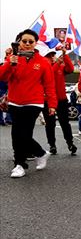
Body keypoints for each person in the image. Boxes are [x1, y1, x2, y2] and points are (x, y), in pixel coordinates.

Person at [0, 29, 57, 178]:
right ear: (19, 42)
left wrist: (52, 105)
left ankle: (30, 158)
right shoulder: (12, 58)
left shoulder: (43, 62)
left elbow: (49, 85)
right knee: (16, 134)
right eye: (24, 41)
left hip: (34, 102)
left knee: (23, 134)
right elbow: (3, 77)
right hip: (14, 101)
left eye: (30, 42)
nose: (27, 44)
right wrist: (9, 63)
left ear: (35, 43)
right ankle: (21, 163)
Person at [42, 47, 77, 155]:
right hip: (48, 100)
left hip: (61, 99)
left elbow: (70, 69)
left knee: (65, 123)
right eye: (49, 56)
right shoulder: (44, 68)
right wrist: (57, 63)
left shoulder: (60, 67)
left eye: (53, 55)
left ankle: (70, 143)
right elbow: (50, 75)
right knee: (50, 123)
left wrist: (65, 55)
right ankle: (52, 145)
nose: (52, 58)